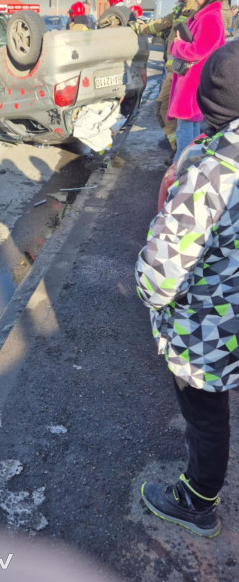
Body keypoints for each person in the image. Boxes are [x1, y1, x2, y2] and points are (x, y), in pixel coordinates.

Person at [135, 40, 239, 538]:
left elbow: (160, 275)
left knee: (206, 415)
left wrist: (144, 285)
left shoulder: (211, 173)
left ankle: (198, 502)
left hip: (209, 331)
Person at [131, 0, 201, 154]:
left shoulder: (197, 10)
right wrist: (139, 28)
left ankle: (182, 156)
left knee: (176, 113)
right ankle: (179, 150)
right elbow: (160, 24)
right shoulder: (181, 9)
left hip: (186, 71)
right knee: (166, 110)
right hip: (175, 71)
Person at [168, 0, 225, 160]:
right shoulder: (207, 16)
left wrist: (177, 45)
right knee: (190, 124)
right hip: (194, 78)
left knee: (185, 127)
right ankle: (189, 163)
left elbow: (197, 50)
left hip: (193, 79)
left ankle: (180, 169)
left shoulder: (209, 18)